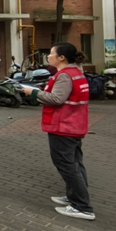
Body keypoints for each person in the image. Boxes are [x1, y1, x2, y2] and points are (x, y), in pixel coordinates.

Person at [21, 42, 94, 220]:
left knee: (66, 165)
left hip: (63, 126)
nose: (48, 56)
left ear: (61, 57)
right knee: (75, 162)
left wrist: (33, 93)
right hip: (74, 125)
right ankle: (74, 196)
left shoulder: (64, 75)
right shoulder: (76, 72)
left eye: (51, 53)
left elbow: (56, 99)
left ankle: (82, 206)